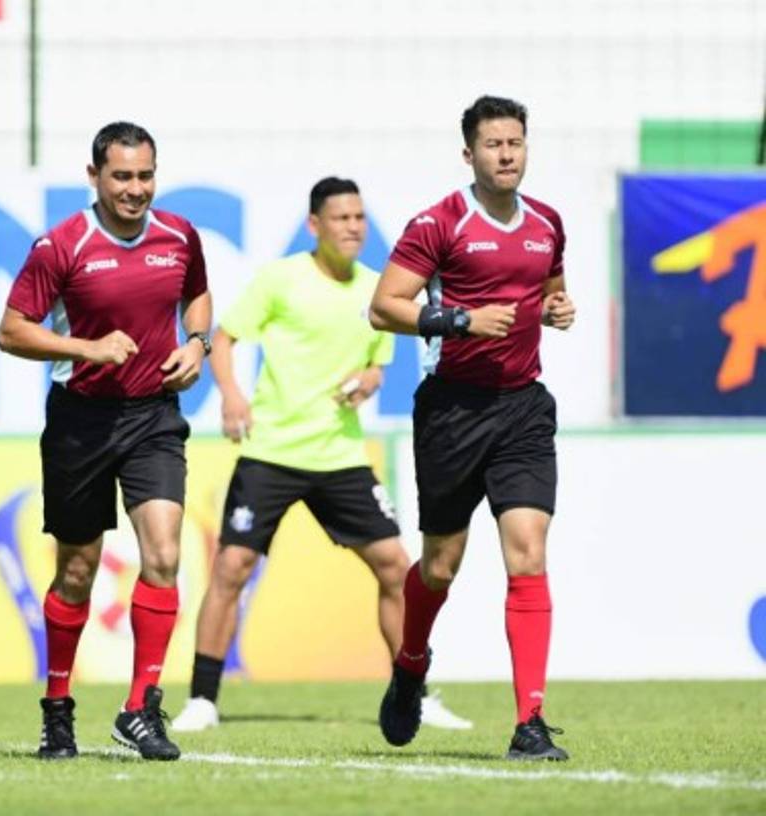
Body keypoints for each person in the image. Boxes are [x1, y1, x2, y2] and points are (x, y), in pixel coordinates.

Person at [170, 178, 471, 734]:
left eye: (359, 217)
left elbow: (379, 363)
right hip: (273, 452)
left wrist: (370, 378)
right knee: (231, 567)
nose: (354, 227)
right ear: (315, 225)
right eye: (341, 218)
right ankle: (203, 700)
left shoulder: (381, 290)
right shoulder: (281, 279)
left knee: (395, 568)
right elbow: (227, 336)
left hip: (340, 456)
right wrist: (233, 397)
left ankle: (416, 693)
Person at [370, 95, 576, 761]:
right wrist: (458, 319)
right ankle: (410, 663)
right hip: (452, 411)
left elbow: (548, 287)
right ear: (470, 154)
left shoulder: (547, 223)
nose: (507, 153)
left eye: (516, 142)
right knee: (440, 565)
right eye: (493, 144)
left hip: (521, 408)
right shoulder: (439, 224)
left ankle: (531, 723)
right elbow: (383, 308)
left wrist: (555, 308)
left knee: (528, 551)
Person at [0, 121, 212, 761]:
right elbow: (12, 332)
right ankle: (57, 706)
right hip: (80, 423)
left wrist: (196, 344)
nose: (135, 188)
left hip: (153, 418)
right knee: (77, 570)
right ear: (94, 177)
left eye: (145, 175)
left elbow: (197, 297)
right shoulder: (61, 246)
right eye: (122, 176)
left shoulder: (178, 236)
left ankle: (140, 707)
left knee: (166, 553)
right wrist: (86, 347)